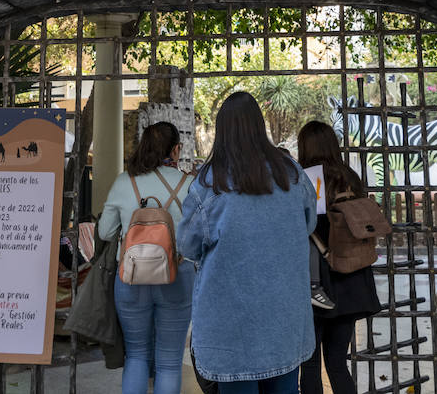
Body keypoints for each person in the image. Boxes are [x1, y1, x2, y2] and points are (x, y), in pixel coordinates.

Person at [179, 92, 318, 394]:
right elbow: (308, 224)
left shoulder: (208, 183)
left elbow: (188, 246)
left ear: (222, 130)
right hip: (284, 320)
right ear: (259, 125)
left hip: (230, 329)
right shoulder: (292, 174)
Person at [97, 121, 194, 394]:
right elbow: (198, 237)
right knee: (170, 362)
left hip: (130, 277)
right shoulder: (189, 184)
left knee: (137, 355)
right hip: (178, 275)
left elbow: (105, 232)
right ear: (175, 151)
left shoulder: (123, 181)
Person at [296, 121, 382, 394]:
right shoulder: (350, 177)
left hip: (318, 280)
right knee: (337, 362)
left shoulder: (310, 178)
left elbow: (308, 225)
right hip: (353, 277)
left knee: (310, 364)